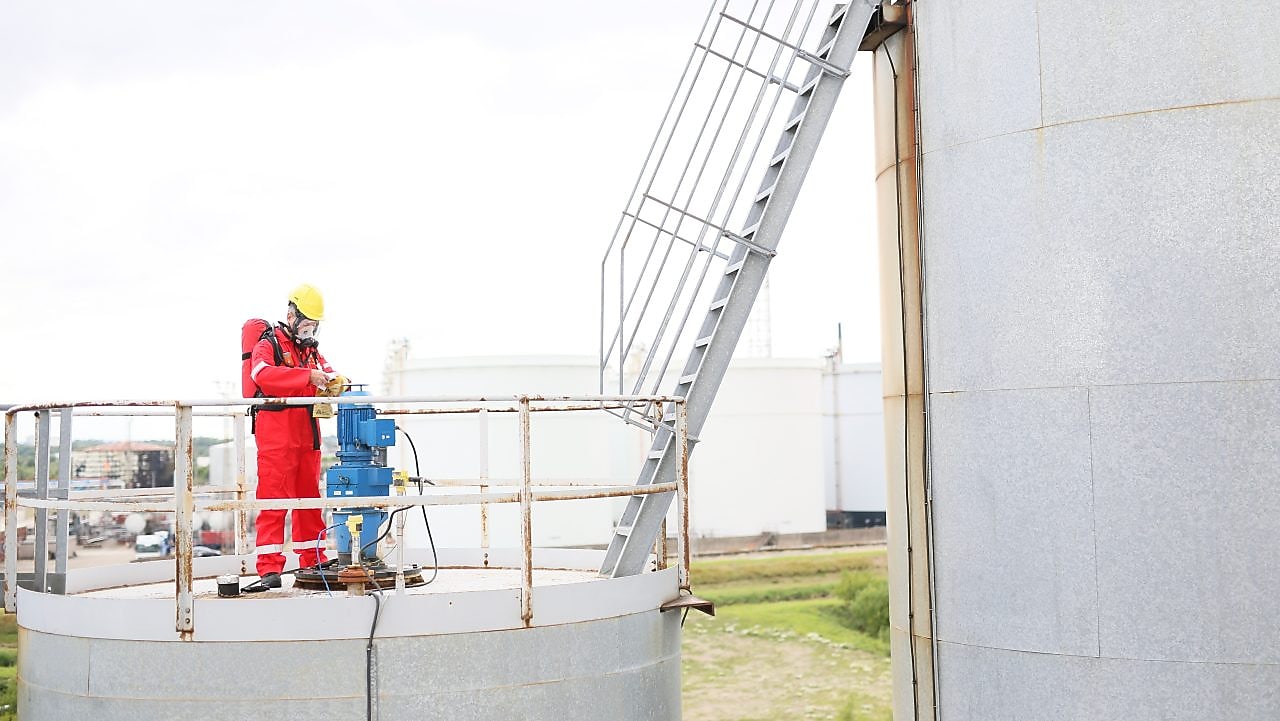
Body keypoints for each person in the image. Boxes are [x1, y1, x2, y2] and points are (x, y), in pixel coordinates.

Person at [242, 283, 337, 592]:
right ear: (292, 315)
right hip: (277, 438)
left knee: (309, 499)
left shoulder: (311, 351)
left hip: (307, 437)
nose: (310, 329)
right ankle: (269, 568)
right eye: (306, 322)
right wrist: (306, 377)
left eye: (314, 324)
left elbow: (328, 371)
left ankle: (313, 558)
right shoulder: (269, 344)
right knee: (273, 500)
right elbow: (261, 374)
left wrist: (337, 382)